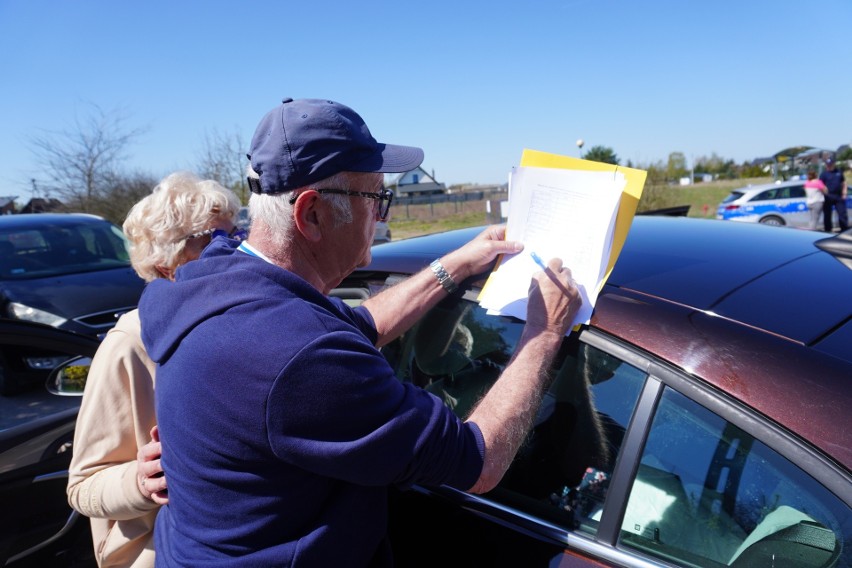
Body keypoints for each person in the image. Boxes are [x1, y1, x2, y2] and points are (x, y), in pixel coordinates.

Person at [139, 98, 581, 567]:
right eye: (377, 199)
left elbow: (359, 324)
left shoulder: (219, 281)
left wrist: (454, 264)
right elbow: (479, 461)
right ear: (311, 214)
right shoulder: (297, 355)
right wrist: (545, 331)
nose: (383, 217)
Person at [67, 172, 243, 568]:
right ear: (167, 265)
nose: (232, 250)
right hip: (159, 553)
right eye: (211, 240)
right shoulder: (129, 343)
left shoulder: (238, 321)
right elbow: (82, 486)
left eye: (235, 234)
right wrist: (140, 480)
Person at [819, 156, 848, 232]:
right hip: (828, 197)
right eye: (827, 164)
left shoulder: (839, 172)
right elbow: (820, 185)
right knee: (827, 215)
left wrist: (844, 193)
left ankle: (844, 230)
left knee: (842, 214)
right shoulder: (824, 174)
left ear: (834, 164)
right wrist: (824, 192)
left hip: (838, 196)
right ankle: (828, 231)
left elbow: (844, 183)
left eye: (830, 164)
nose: (828, 165)